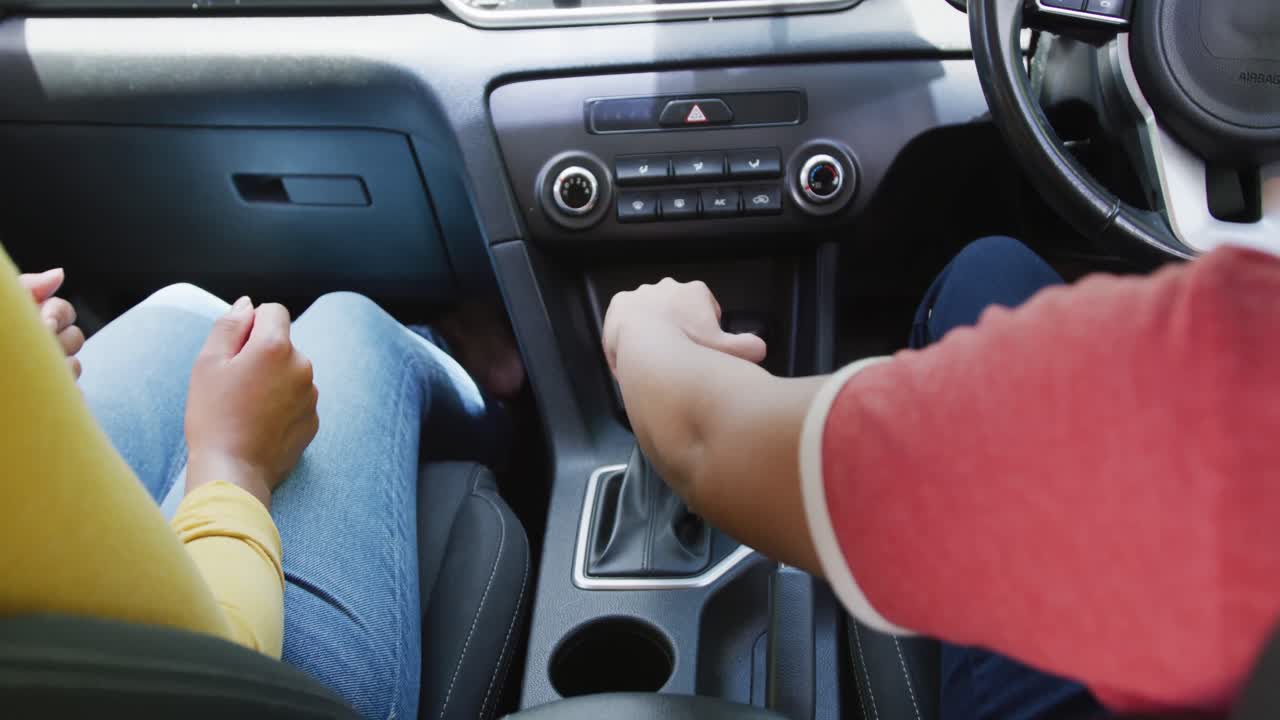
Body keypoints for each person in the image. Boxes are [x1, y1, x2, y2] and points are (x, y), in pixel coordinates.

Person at [602, 235, 1280, 719]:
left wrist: (641, 323)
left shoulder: (1220, 355)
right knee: (997, 269)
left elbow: (702, 443)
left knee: (987, 270)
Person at [0, 246, 510, 719]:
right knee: (345, 320)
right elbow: (210, 677)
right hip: (240, 686)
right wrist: (233, 462)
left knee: (182, 308)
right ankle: (481, 384)